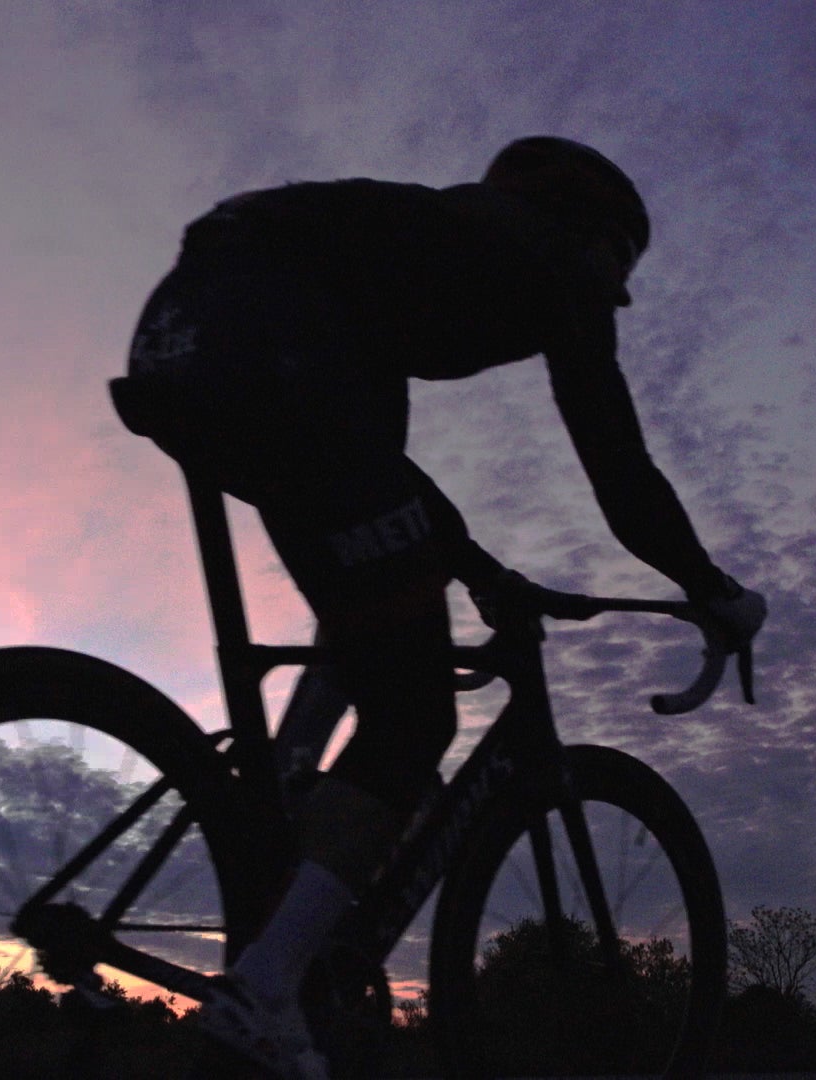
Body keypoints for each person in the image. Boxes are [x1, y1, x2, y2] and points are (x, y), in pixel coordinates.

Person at [111, 136, 767, 1078]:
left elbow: (386, 474)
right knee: (416, 716)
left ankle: (284, 802)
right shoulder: (547, 259)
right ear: (592, 235)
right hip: (279, 350)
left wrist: (480, 570)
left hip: (187, 334)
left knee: (376, 591)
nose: (615, 288)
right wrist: (715, 593)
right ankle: (264, 991)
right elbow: (619, 470)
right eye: (621, 262)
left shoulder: (406, 250)